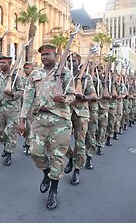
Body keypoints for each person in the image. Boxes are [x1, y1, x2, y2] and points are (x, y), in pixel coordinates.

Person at [19, 44, 75, 210]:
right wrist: (22, 118)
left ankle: (53, 191)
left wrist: (63, 99)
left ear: (55, 55)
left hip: (60, 120)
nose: (44, 57)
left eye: (48, 54)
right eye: (42, 55)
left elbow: (73, 95)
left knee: (58, 156)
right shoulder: (35, 74)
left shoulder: (65, 73)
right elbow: (27, 97)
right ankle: (46, 173)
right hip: (39, 119)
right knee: (35, 152)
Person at [63, 53, 96, 185]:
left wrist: (84, 98)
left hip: (81, 113)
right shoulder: (63, 75)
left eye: (74, 61)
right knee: (62, 141)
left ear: (79, 62)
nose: (72, 63)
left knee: (80, 142)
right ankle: (71, 157)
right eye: (69, 60)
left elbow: (93, 95)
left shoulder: (86, 77)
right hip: (65, 112)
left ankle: (77, 169)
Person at [0, 55, 24, 166]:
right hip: (0, 108)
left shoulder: (16, 77)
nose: (1, 64)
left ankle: (9, 153)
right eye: (0, 62)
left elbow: (22, 92)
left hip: (13, 110)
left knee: (12, 133)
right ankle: (6, 144)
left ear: (9, 63)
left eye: (4, 63)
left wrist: (13, 93)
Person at [21, 62, 35, 155]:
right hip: (22, 105)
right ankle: (27, 140)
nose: (26, 70)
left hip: (33, 106)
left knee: (31, 126)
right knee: (24, 127)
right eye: (25, 68)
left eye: (28, 68)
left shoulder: (36, 79)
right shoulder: (21, 79)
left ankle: (29, 144)